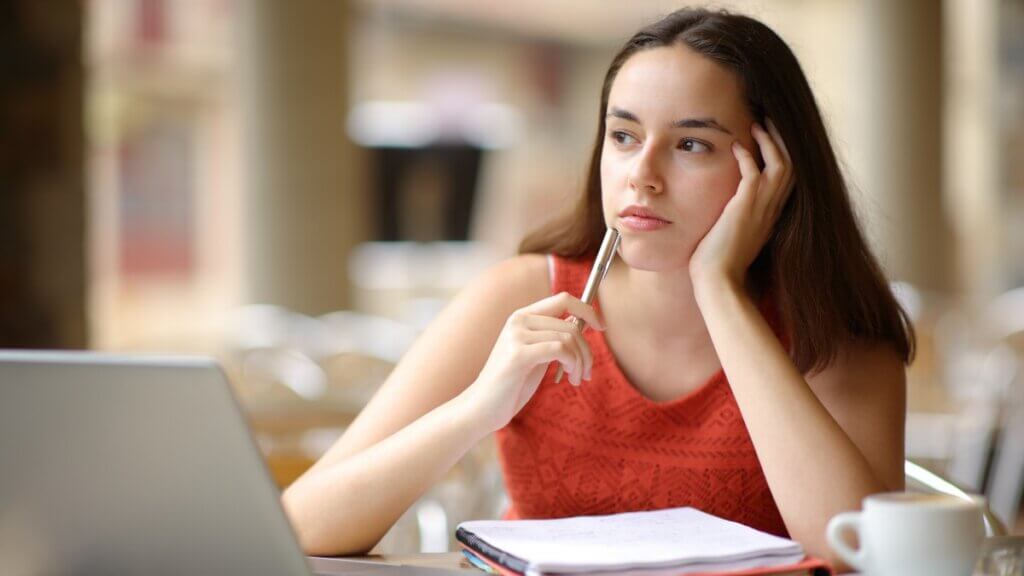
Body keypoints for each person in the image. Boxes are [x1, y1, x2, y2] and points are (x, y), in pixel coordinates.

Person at [281, 7, 914, 568]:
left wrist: (719, 290)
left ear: (773, 170)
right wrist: (479, 409)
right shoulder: (522, 295)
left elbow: (860, 551)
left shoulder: (836, 334)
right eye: (624, 136)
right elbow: (300, 526)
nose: (642, 175)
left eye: (692, 144)